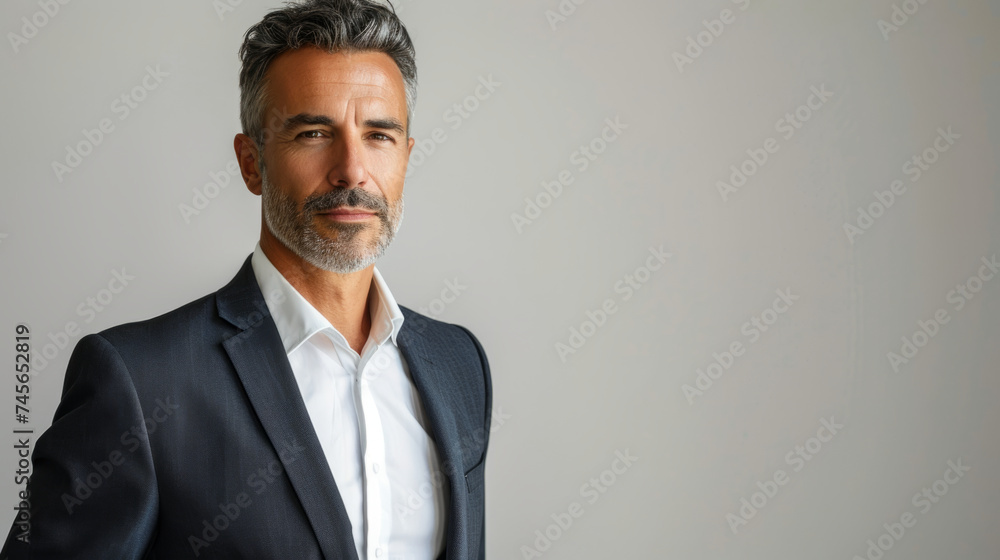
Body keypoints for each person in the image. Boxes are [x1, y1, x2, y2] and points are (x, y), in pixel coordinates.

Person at [0, 1, 492, 558]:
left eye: (379, 136)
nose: (352, 170)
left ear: (406, 156)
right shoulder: (140, 381)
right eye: (314, 132)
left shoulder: (460, 364)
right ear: (251, 162)